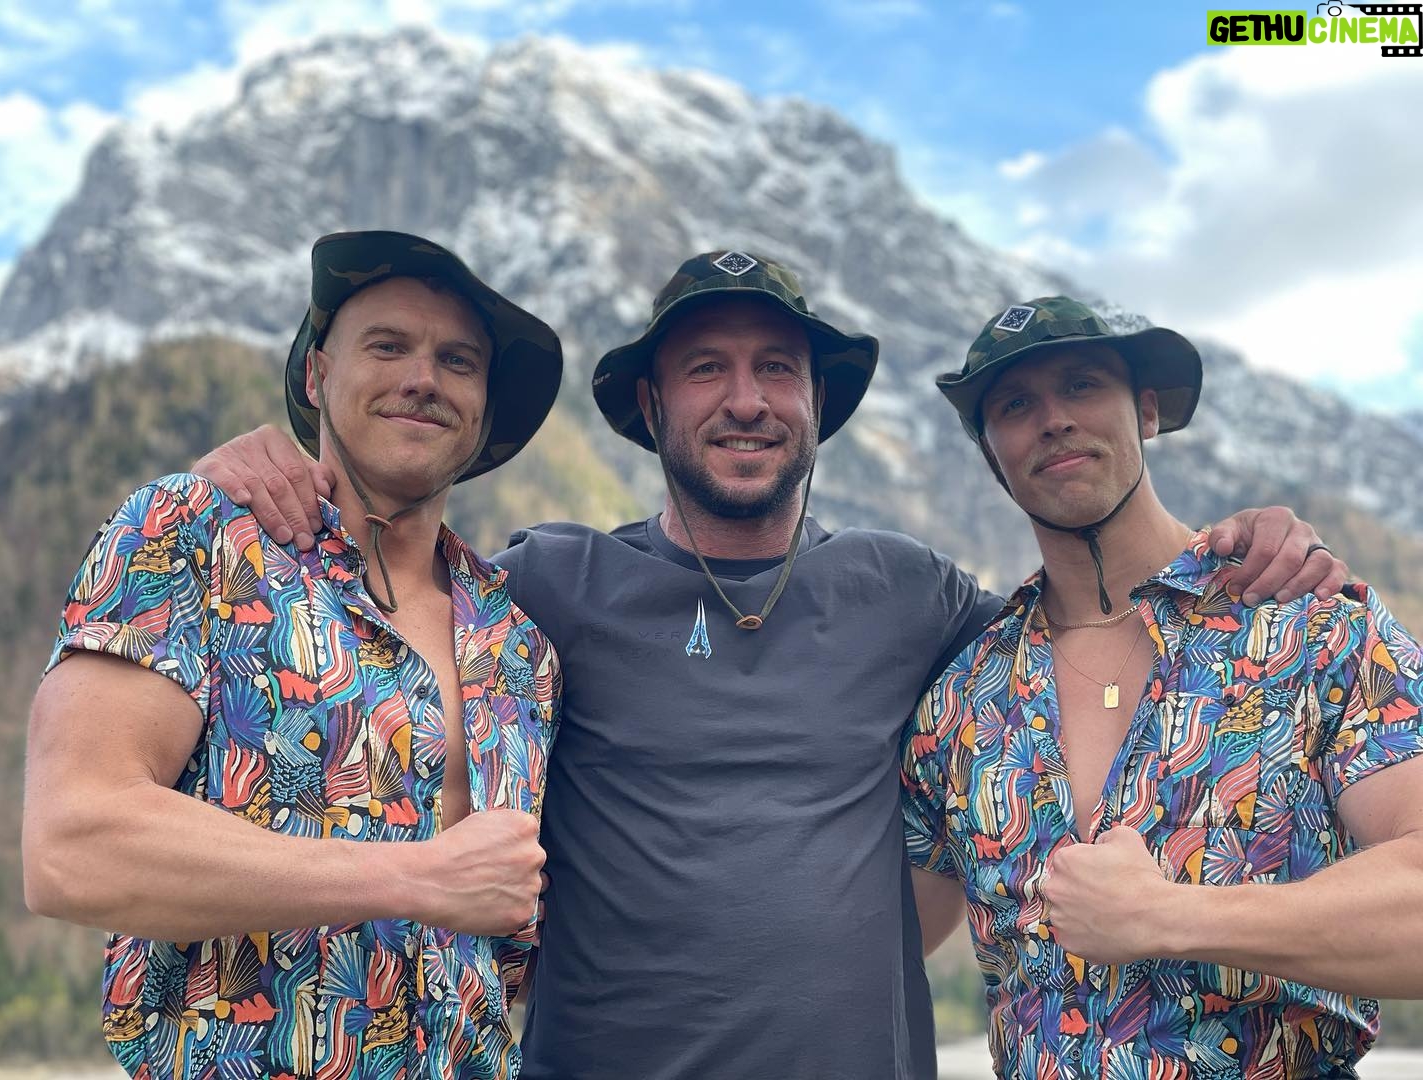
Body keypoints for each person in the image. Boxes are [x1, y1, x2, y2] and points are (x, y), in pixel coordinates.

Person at [195, 254, 1346, 1079]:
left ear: (817, 405)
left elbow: (1093, 623)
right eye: (705, 369)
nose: (745, 400)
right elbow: (378, 587)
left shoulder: (912, 594)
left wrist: (1248, 545)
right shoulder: (545, 587)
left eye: (776, 370)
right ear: (652, 405)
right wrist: (249, 472)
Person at [22, 230, 566, 1080]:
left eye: (458, 361)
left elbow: (512, 950)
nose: (423, 378)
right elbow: (73, 845)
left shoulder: (520, 649)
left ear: (485, 406)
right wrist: (413, 877)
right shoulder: (191, 537)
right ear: (317, 375)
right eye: (387, 346)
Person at [903, 295, 1423, 1079]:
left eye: (1082, 384)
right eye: (1014, 405)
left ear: (1146, 411)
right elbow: (866, 943)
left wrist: (1171, 916)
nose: (1053, 419)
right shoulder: (960, 700)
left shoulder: (1312, 626)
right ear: (991, 454)